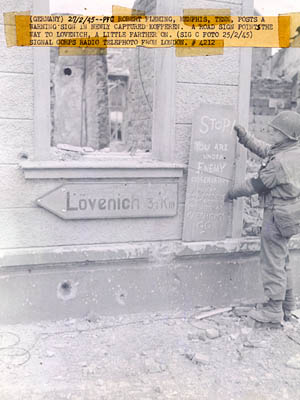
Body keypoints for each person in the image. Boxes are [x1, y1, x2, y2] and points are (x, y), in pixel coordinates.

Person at [225, 110, 300, 325]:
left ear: (288, 135)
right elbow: (268, 151)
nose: (271, 132)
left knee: (272, 262)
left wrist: (232, 193)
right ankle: (287, 306)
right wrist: (246, 138)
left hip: (276, 215)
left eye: (276, 131)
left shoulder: (280, 162)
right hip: (291, 215)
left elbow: (256, 185)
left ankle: (273, 311)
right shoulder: (292, 151)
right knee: (282, 259)